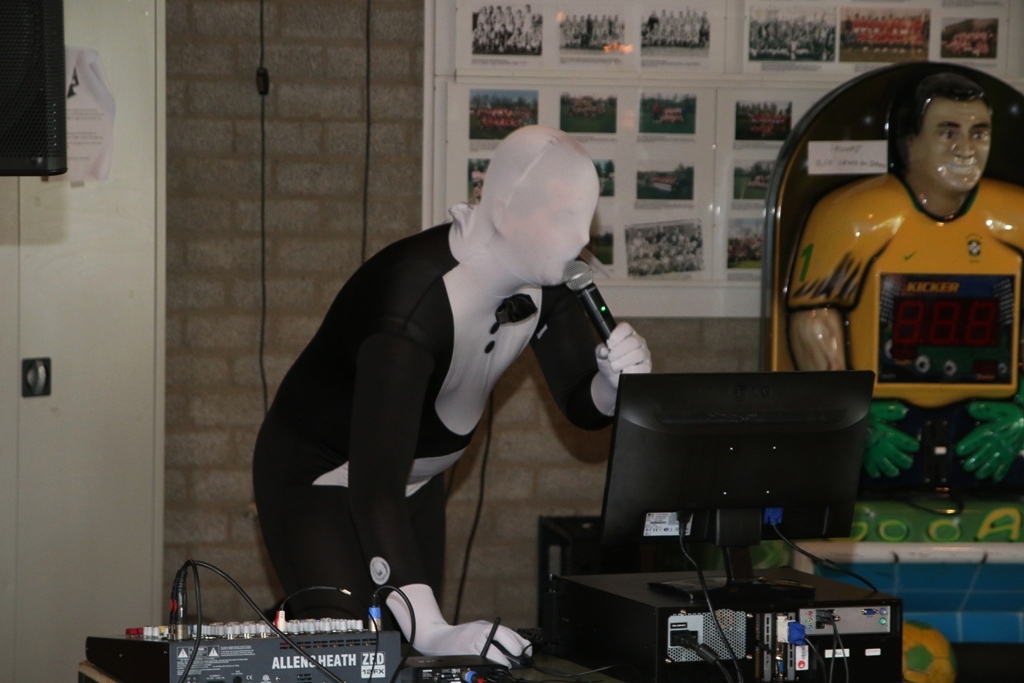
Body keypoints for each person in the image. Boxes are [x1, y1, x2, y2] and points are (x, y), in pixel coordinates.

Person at [252, 125, 652, 666]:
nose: (581, 237)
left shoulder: (549, 276)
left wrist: (610, 382)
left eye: (587, 217)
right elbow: (373, 486)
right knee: (352, 658)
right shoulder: (412, 305)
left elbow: (581, 405)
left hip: (413, 481)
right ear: (505, 211)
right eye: (564, 217)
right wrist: (434, 630)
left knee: (406, 651)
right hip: (322, 476)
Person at [786, 72, 1024, 483]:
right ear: (909, 141)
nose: (966, 148)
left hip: (992, 422)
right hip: (885, 422)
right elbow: (813, 318)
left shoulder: (1016, 218)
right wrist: (849, 420)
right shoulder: (852, 217)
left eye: (979, 133)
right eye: (947, 132)